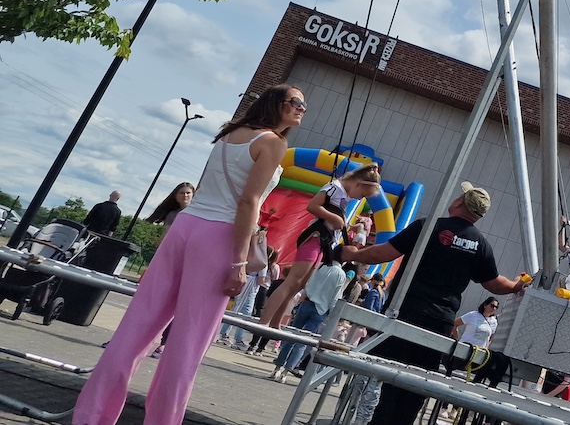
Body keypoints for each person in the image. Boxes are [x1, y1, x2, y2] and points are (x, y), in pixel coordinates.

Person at [72, 84, 297, 425]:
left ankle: (91, 416)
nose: (301, 110)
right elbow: (248, 202)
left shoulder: (231, 134)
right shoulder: (273, 143)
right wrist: (239, 262)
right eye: (295, 102)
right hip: (219, 235)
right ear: (276, 104)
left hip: (186, 226)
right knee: (188, 343)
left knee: (137, 324)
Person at [338, 181, 529, 425]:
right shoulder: (480, 244)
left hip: (405, 313)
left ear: (459, 202)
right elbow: (493, 284)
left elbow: (382, 253)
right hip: (439, 324)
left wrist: (352, 253)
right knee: (418, 383)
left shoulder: (428, 227)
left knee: (386, 377)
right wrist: (515, 285)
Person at [260, 162, 382, 329]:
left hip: (325, 243)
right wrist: (335, 218)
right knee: (292, 281)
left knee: (299, 284)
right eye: (362, 193)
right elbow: (312, 206)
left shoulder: (343, 194)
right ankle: (264, 320)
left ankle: (275, 323)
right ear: (358, 183)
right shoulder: (334, 188)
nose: (360, 198)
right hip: (314, 238)